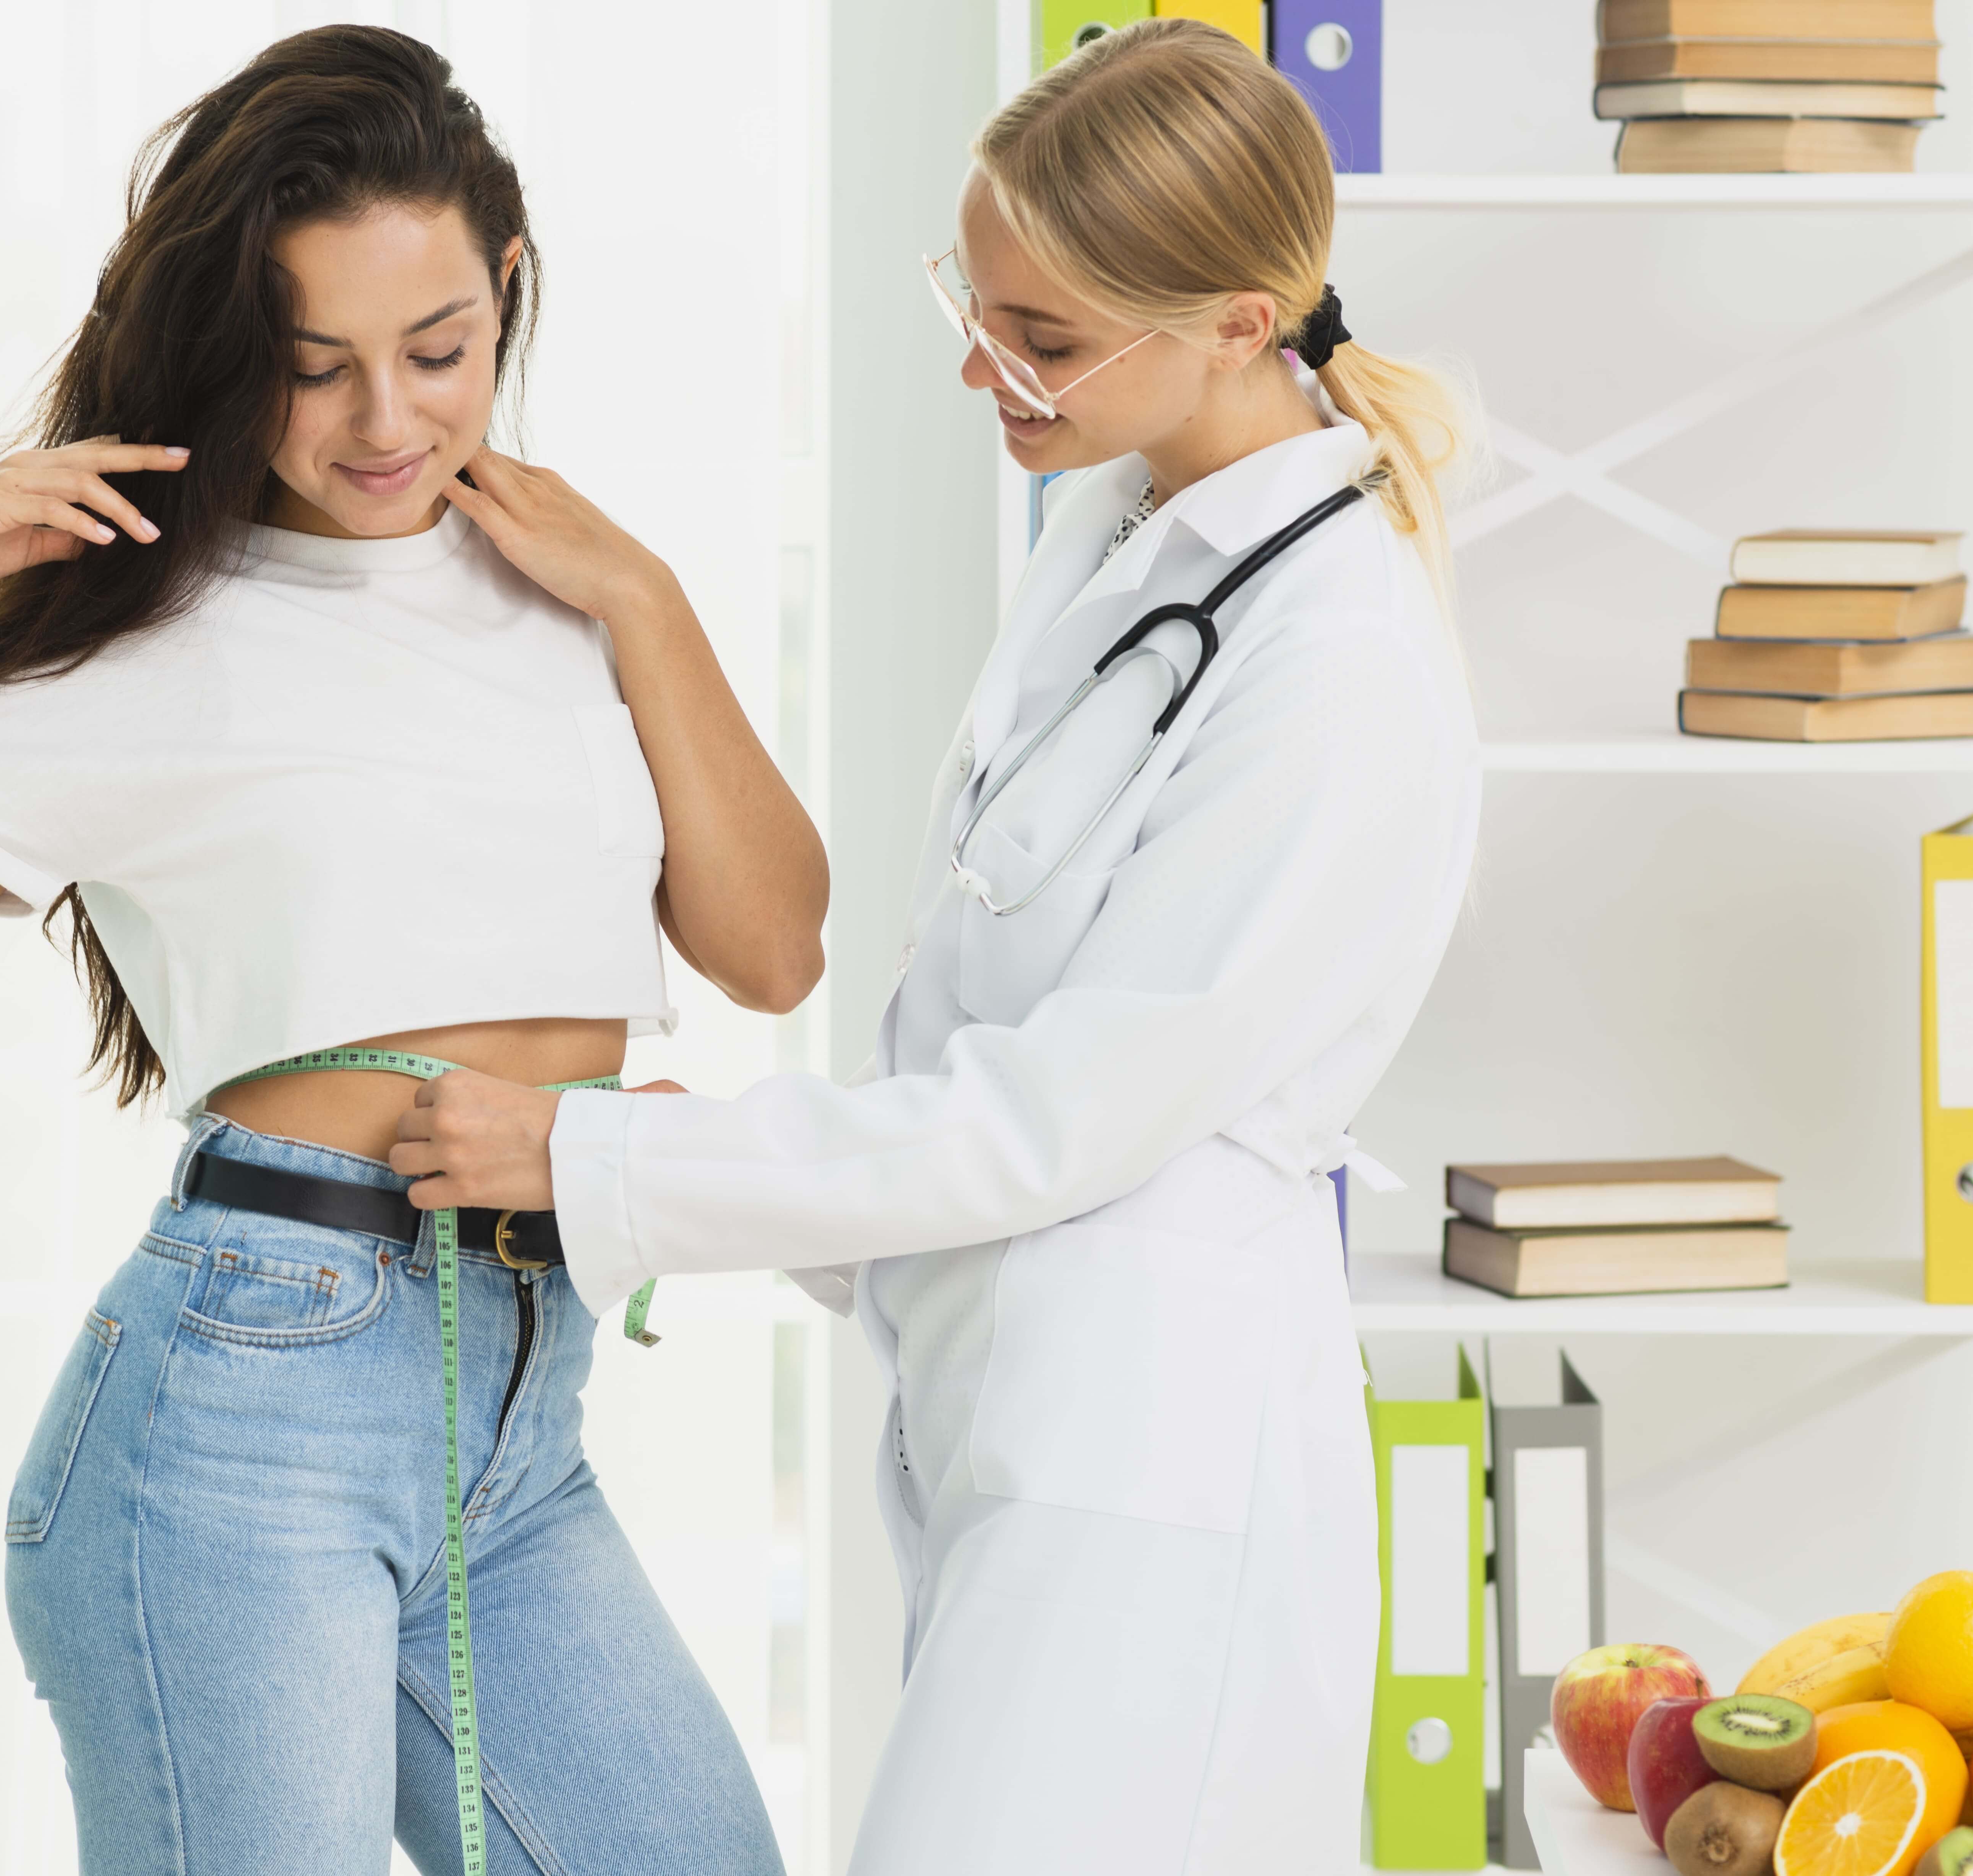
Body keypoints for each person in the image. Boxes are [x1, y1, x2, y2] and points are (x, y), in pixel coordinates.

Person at [0, 26, 816, 1876]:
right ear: (239, 354)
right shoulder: (159, 636)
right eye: (314, 370)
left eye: (439, 352)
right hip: (247, 1412)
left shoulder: (575, 586)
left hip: (521, 1415)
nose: (386, 423)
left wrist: (649, 603)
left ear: (509, 289)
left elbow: (772, 951)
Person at [392, 20, 1479, 1874]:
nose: (986, 367)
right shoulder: (1114, 531)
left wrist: (611, 1162)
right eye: (971, 305)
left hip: (1154, 1475)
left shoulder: (1339, 658)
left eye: (1042, 335)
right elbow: (981, 1026)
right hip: (1021, 1421)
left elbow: (1061, 1114)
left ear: (1238, 321)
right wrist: (716, 1166)